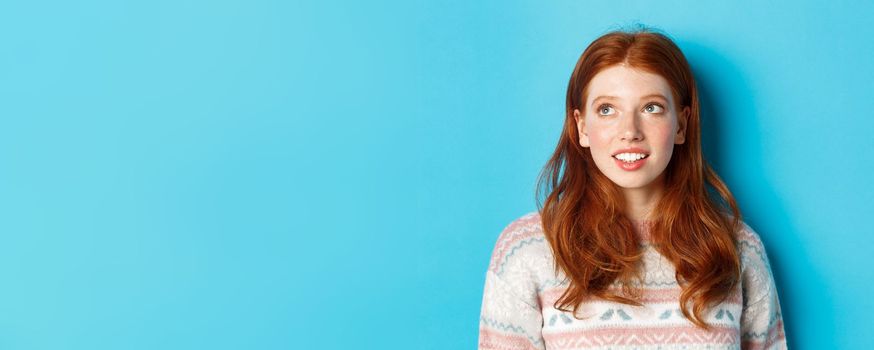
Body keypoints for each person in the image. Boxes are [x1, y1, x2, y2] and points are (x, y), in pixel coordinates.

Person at [478, 28, 787, 349]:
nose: (629, 131)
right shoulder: (527, 250)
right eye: (607, 109)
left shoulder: (736, 248)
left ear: (681, 125)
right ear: (582, 126)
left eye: (651, 107)